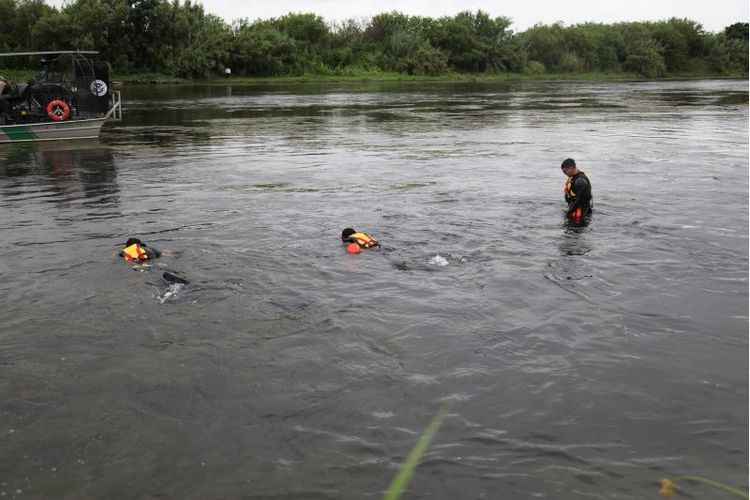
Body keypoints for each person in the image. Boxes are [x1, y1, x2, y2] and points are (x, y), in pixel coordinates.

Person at [561, 158, 592, 223]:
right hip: (574, 209)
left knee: (573, 231)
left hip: (581, 212)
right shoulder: (573, 178)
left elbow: (579, 200)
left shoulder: (580, 181)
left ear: (571, 168)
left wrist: (569, 213)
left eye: (565, 171)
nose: (564, 173)